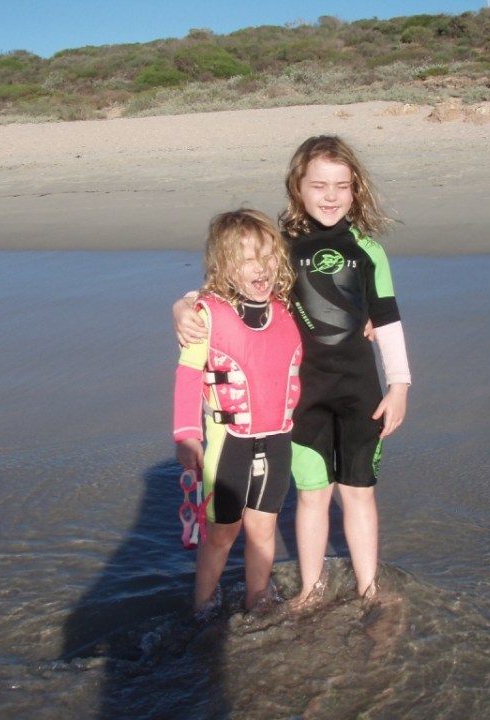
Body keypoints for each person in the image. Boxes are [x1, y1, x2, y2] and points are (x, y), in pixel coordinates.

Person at [175, 136, 410, 606]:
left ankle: (368, 588)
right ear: (297, 187)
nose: (331, 196)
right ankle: (310, 588)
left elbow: (387, 318)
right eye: (319, 185)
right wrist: (181, 305)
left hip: (361, 393)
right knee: (312, 494)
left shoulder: (369, 250)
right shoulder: (280, 248)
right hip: (303, 399)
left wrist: (400, 384)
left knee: (359, 493)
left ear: (356, 189)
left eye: (342, 186)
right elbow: (227, 286)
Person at [173, 208, 302, 614]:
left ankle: (258, 598)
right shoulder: (205, 315)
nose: (261, 267)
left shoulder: (287, 307)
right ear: (225, 265)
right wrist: (186, 436)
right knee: (222, 534)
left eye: (267, 256)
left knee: (263, 530)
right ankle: (204, 608)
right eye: (247, 259)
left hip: (278, 440)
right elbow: (188, 375)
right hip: (229, 444)